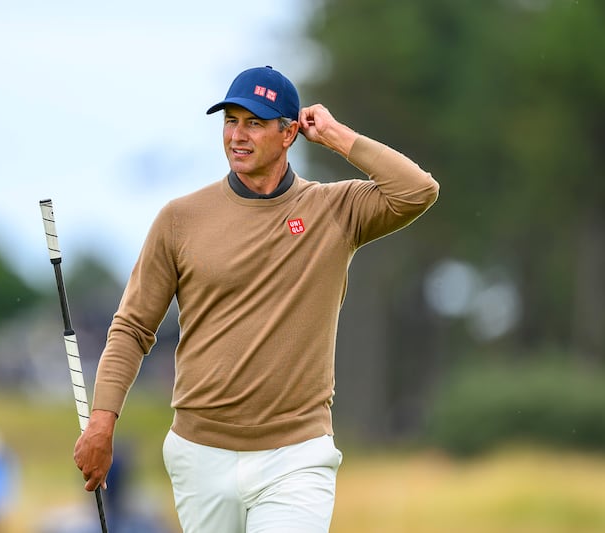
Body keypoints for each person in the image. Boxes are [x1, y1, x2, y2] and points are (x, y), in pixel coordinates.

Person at [74, 65, 439, 532]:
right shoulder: (180, 218)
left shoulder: (334, 210)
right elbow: (132, 327)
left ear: (289, 133)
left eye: (255, 123)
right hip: (200, 453)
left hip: (296, 456)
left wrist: (335, 135)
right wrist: (103, 424)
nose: (238, 136)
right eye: (231, 121)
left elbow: (417, 191)